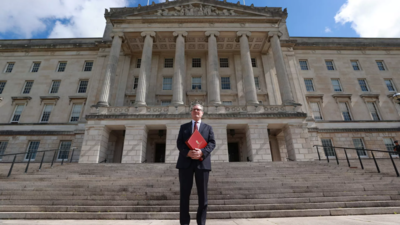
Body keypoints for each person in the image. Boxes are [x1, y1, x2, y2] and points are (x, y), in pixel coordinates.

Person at [176, 104, 216, 225]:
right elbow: (179, 143)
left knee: (203, 196)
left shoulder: (208, 128)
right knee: (184, 195)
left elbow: (212, 143)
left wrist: (202, 152)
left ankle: (201, 222)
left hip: (202, 164)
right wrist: (187, 152)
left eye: (198, 110)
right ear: (191, 113)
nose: (196, 111)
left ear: (202, 113)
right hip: (185, 164)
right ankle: (184, 223)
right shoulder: (184, 127)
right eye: (194, 109)